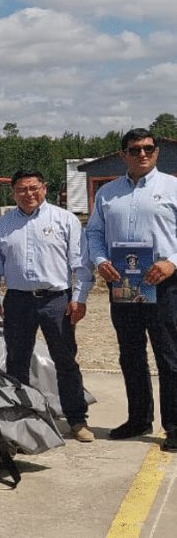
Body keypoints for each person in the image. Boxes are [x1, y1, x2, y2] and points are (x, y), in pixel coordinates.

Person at [0, 169, 95, 442]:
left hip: (56, 300)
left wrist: (79, 298)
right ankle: (22, 419)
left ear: (44, 188)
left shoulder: (65, 220)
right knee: (17, 361)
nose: (28, 194)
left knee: (65, 360)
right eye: (21, 189)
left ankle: (77, 419)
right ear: (13, 193)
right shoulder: (3, 225)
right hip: (18, 300)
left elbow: (81, 265)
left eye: (33, 188)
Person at [87, 128, 177, 450]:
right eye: (135, 149)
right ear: (123, 154)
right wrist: (99, 260)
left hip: (164, 284)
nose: (142, 154)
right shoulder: (108, 193)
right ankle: (139, 418)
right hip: (122, 283)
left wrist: (172, 262)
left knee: (170, 357)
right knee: (131, 355)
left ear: (157, 153)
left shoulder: (173, 187)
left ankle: (175, 426)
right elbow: (94, 233)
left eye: (149, 148)